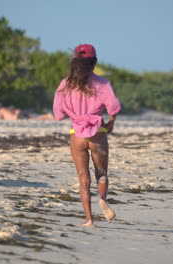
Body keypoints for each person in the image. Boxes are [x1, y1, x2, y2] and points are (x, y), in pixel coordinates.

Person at [53, 44, 121, 227]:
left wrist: (75, 112)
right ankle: (103, 200)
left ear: (75, 62)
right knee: (102, 175)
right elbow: (113, 106)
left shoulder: (65, 84)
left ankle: (89, 220)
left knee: (83, 179)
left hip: (77, 135)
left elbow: (58, 115)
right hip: (98, 131)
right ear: (94, 62)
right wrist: (111, 122)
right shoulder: (103, 83)